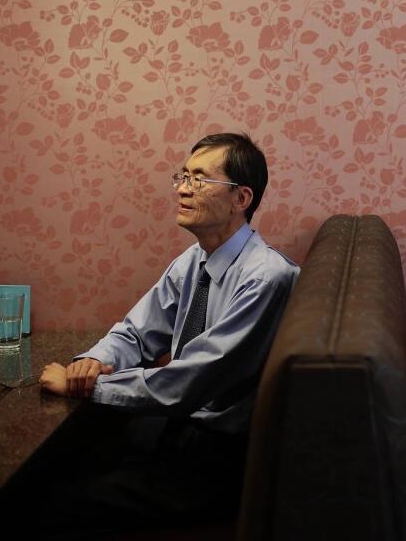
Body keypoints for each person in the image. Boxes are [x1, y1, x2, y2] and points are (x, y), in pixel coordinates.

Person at [38, 132, 299, 532]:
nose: (182, 189)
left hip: (215, 454)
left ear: (240, 199)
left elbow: (190, 381)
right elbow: (137, 332)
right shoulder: (195, 259)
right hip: (174, 428)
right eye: (183, 176)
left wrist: (87, 388)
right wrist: (91, 362)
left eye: (199, 179)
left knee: (55, 500)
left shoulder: (265, 278)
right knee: (54, 462)